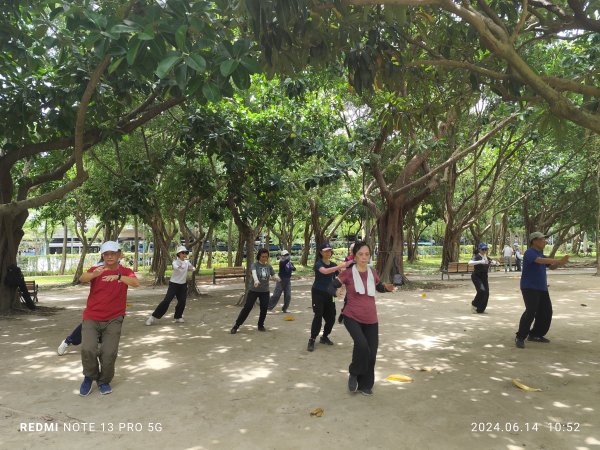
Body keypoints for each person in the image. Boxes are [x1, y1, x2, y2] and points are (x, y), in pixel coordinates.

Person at [332, 242, 395, 395]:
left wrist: (386, 287)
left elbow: (378, 287)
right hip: (351, 316)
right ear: (355, 255)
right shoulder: (347, 273)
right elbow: (331, 285)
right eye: (360, 254)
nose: (364, 257)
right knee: (362, 345)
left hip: (371, 318)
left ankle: (365, 385)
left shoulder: (372, 271)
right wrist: (336, 292)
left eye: (367, 254)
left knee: (371, 353)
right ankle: (354, 373)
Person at [78, 241, 139, 396]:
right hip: (92, 316)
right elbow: (82, 278)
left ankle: (104, 381)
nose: (110, 256)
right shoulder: (97, 269)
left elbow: (135, 283)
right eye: (106, 254)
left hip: (114, 318)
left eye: (113, 253)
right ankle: (89, 376)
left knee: (109, 352)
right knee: (88, 348)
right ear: (102, 255)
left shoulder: (125, 271)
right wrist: (94, 274)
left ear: (118, 254)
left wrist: (119, 277)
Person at [515, 232, 569, 349]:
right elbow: (539, 261)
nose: (545, 242)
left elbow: (551, 266)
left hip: (542, 287)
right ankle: (520, 336)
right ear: (534, 241)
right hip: (529, 287)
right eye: (542, 240)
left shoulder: (541, 254)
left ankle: (535, 334)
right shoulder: (530, 253)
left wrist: (560, 264)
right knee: (531, 311)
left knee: (546, 311)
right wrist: (558, 260)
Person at [307, 243, 348, 352]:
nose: (328, 252)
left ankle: (324, 337)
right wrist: (340, 266)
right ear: (321, 252)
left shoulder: (333, 264)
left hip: (329, 294)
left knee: (331, 317)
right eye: (325, 251)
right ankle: (312, 339)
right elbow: (325, 272)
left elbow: (341, 276)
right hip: (318, 293)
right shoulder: (318, 264)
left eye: (329, 250)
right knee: (318, 315)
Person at [231, 248, 279, 334]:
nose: (265, 258)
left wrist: (277, 278)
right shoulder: (255, 265)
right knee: (247, 307)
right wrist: (256, 281)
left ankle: (260, 325)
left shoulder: (269, 266)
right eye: (263, 256)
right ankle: (236, 325)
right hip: (254, 290)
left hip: (265, 291)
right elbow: (254, 273)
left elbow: (273, 274)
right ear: (259, 256)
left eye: (266, 257)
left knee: (264, 308)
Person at [145, 245, 195, 325]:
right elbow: (177, 268)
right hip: (174, 284)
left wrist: (190, 268)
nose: (184, 254)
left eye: (186, 252)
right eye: (183, 252)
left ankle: (178, 317)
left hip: (183, 285)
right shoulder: (175, 262)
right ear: (178, 254)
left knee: (182, 301)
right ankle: (152, 317)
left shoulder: (186, 262)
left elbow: (193, 268)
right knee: (166, 301)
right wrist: (185, 267)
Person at [467, 243, 498, 314]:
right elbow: (469, 263)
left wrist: (495, 262)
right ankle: (474, 305)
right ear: (479, 250)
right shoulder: (477, 256)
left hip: (484, 277)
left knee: (486, 293)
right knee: (481, 290)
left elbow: (492, 262)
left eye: (486, 249)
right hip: (476, 276)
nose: (484, 251)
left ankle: (480, 309)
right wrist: (480, 261)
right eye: (483, 249)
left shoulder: (486, 257)